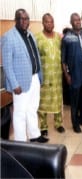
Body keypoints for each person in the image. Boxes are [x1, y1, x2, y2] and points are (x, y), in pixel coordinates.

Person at [2, 9, 48, 143]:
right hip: (20, 82)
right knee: (20, 113)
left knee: (33, 108)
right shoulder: (8, 37)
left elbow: (36, 56)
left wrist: (39, 76)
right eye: (21, 19)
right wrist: (14, 84)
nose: (25, 21)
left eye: (27, 18)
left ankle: (34, 134)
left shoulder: (30, 35)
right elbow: (7, 64)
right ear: (15, 20)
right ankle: (20, 140)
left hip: (34, 78)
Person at [35, 13, 65, 136]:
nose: (49, 24)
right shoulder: (37, 37)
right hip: (44, 76)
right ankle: (43, 127)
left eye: (51, 22)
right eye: (47, 22)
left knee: (58, 99)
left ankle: (58, 124)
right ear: (43, 23)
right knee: (43, 102)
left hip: (57, 75)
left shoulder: (59, 37)